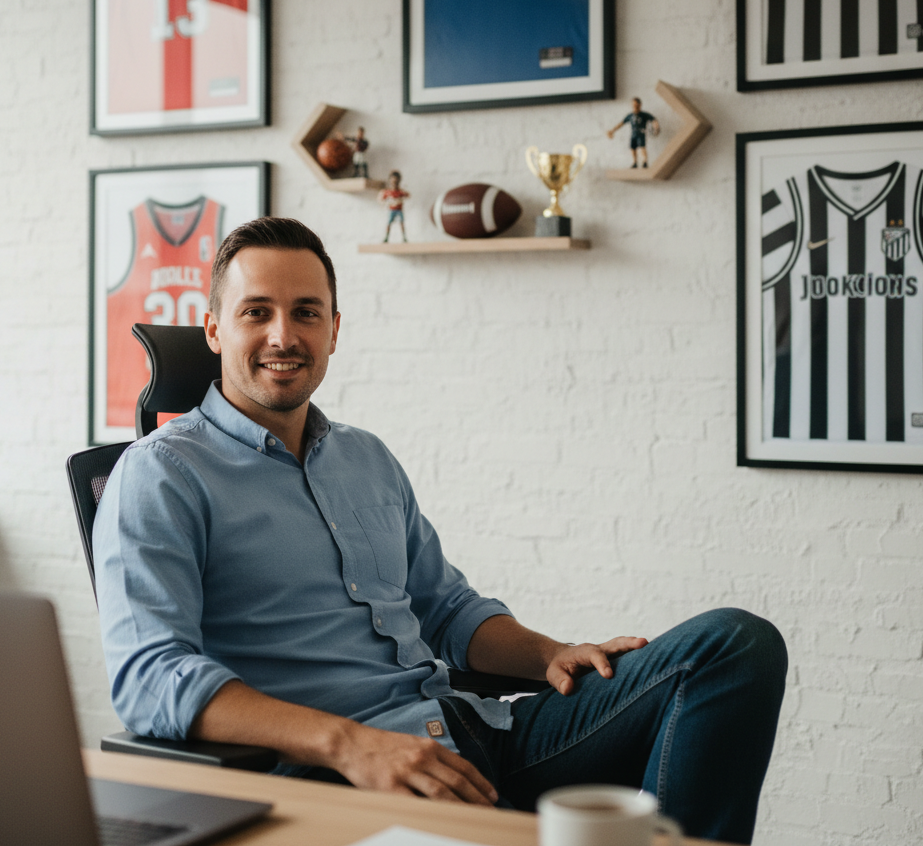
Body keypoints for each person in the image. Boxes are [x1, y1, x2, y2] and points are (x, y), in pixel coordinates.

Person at [94, 218, 787, 844]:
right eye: (256, 313)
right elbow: (150, 677)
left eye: (305, 312)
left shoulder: (365, 457)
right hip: (344, 778)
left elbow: (448, 609)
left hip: (471, 735)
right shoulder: (162, 475)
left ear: (334, 328)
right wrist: (349, 745)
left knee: (733, 648)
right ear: (214, 329)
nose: (284, 335)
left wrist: (549, 651)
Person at [607, 97, 660, 168]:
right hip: (633, 134)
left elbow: (653, 119)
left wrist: (656, 126)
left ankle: (645, 161)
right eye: (633, 105)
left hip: (641, 133)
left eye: (636, 105)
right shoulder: (630, 116)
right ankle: (635, 162)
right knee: (633, 148)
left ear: (640, 105)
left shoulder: (644, 115)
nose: (635, 107)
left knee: (642, 147)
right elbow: (621, 123)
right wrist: (613, 130)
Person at [379, 171, 409, 242]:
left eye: (396, 181)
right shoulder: (388, 192)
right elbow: (381, 199)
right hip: (392, 210)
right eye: (393, 180)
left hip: (399, 210)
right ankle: (386, 237)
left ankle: (404, 237)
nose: (394, 183)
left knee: (401, 223)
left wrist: (400, 200)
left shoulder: (400, 192)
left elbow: (407, 195)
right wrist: (388, 203)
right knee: (389, 223)